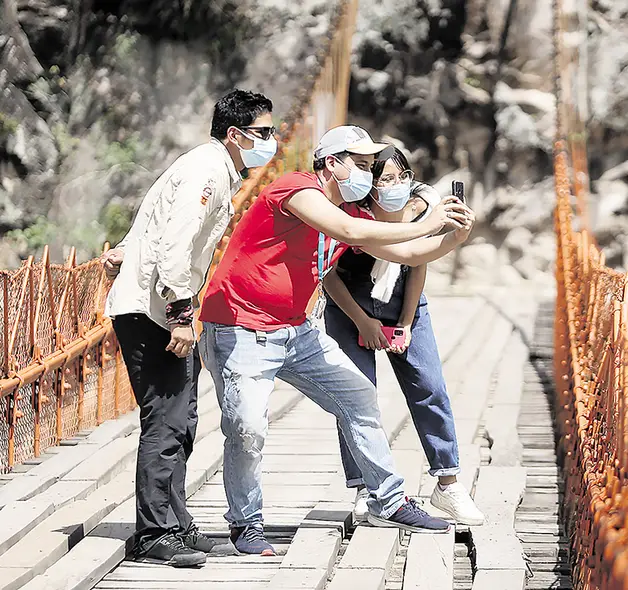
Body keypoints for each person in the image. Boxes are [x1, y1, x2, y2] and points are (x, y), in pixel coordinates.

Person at [197, 125, 476, 555]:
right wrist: (429, 223)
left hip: (296, 329)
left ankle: (389, 499)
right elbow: (353, 233)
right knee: (247, 428)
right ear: (332, 163)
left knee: (360, 398)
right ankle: (246, 524)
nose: (368, 175)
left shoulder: (353, 214)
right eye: (362, 165)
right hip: (241, 328)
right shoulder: (296, 190)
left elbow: (405, 255)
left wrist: (452, 237)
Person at [101, 89, 276, 568]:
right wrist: (182, 316)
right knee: (165, 420)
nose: (272, 141)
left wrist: (126, 248)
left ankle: (175, 524)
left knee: (183, 420)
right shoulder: (207, 170)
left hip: (161, 304)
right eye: (263, 133)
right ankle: (155, 532)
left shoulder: (212, 167)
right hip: (155, 311)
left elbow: (156, 221)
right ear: (235, 135)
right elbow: (176, 246)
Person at [323, 148, 485, 526]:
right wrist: (363, 322)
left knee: (430, 386)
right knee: (356, 396)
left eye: (401, 177)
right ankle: (368, 487)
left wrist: (407, 322)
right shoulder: (350, 215)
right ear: (369, 186)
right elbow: (327, 273)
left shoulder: (422, 208)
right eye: (384, 180)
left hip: (402, 301)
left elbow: (415, 263)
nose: (394, 186)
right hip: (349, 302)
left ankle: (448, 483)